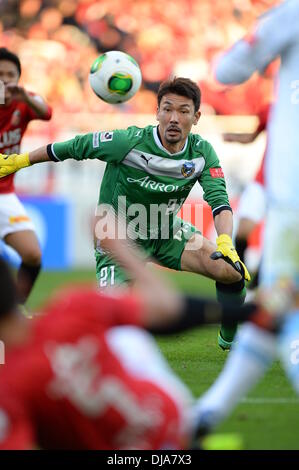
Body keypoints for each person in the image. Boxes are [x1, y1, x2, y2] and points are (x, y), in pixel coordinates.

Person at [0, 77, 250, 350]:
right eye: (167, 109)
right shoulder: (127, 142)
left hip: (166, 231)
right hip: (118, 240)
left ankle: (229, 338)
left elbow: (219, 199)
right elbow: (72, 147)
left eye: (183, 111)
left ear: (197, 116)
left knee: (230, 270)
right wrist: (20, 161)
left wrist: (226, 239)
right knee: (118, 317)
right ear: (157, 112)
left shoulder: (201, 152)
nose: (173, 118)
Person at [0, 217, 256, 450]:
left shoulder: (10, 386)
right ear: (17, 286)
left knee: (121, 330)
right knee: (124, 331)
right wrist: (120, 248)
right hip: (171, 415)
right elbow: (167, 307)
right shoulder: (71, 305)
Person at [191, 0, 299, 437]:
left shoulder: (291, 13)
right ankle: (204, 416)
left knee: (282, 308)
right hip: (279, 194)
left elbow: (228, 70)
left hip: (291, 197)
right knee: (276, 305)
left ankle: (201, 418)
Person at [0, 47, 52, 304]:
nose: (5, 80)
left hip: (5, 195)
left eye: (10, 74)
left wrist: (26, 97)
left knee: (32, 254)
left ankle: (13, 314)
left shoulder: (22, 102)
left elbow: (47, 112)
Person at [224, 101, 270, 293]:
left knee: (276, 238)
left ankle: (258, 283)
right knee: (242, 231)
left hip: (289, 188)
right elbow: (252, 137)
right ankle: (239, 277)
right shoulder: (271, 108)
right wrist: (233, 137)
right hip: (263, 181)